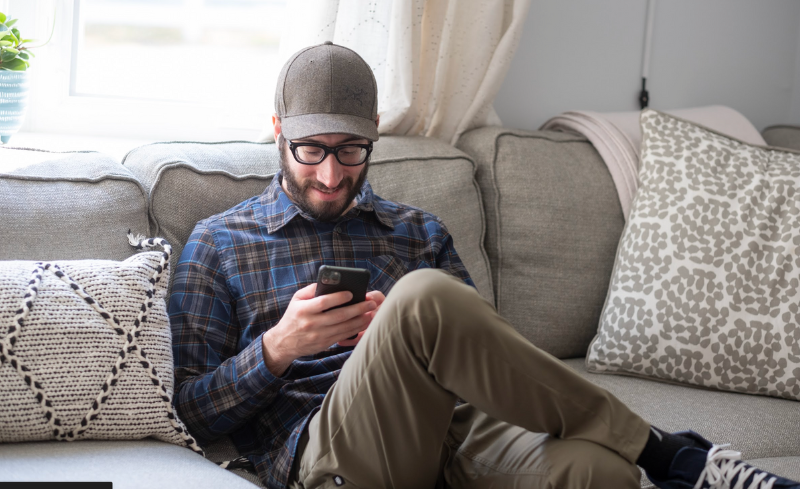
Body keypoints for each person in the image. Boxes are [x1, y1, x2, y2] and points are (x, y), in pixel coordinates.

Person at [168, 41, 798, 489]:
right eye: (309, 150)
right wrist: (279, 347)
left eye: (351, 150)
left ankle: (640, 455)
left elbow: (493, 362)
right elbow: (190, 414)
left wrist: (411, 343)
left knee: (599, 472)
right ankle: (665, 450)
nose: (331, 175)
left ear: (375, 135)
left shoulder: (416, 231)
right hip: (337, 450)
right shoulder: (220, 244)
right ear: (277, 131)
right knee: (421, 299)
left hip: (459, 432)